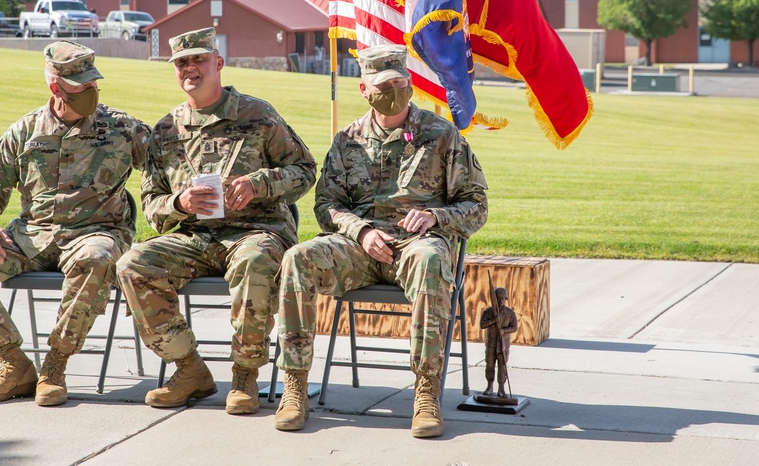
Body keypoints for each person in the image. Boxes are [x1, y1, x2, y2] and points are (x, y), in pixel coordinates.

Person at [273, 44, 489, 439]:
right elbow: (327, 205)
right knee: (297, 259)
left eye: (399, 83)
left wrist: (435, 216)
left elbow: (476, 206)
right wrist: (361, 231)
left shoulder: (441, 136)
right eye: (383, 85)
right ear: (364, 89)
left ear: (409, 84)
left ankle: (426, 393)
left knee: (431, 261)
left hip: (416, 243)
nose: (393, 91)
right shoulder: (348, 139)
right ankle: (295, 386)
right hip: (360, 246)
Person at [0, 41, 149, 407]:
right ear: (56, 88)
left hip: (94, 232)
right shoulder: (24, 131)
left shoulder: (123, 129)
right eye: (82, 87)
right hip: (31, 238)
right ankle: (14, 364)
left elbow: (173, 167)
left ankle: (55, 365)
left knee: (97, 258)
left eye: (94, 84)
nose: (91, 92)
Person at [117, 27, 316, 415]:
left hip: (256, 231)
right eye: (181, 63)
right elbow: (152, 203)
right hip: (195, 236)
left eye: (199, 60)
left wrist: (260, 184)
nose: (190, 68)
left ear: (218, 63)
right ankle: (189, 369)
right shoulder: (165, 131)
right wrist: (181, 202)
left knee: (254, 261)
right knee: (132, 264)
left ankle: (245, 374)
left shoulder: (258, 115)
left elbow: (305, 170)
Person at [480, 286, 518, 397]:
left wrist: (504, 330)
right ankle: (489, 387)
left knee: (502, 367)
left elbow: (514, 327)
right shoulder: (488, 312)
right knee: (490, 366)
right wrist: (493, 321)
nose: (501, 301)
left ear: (506, 299)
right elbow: (482, 324)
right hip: (491, 344)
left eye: (503, 298)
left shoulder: (510, 313)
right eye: (498, 298)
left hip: (503, 345)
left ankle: (501, 389)